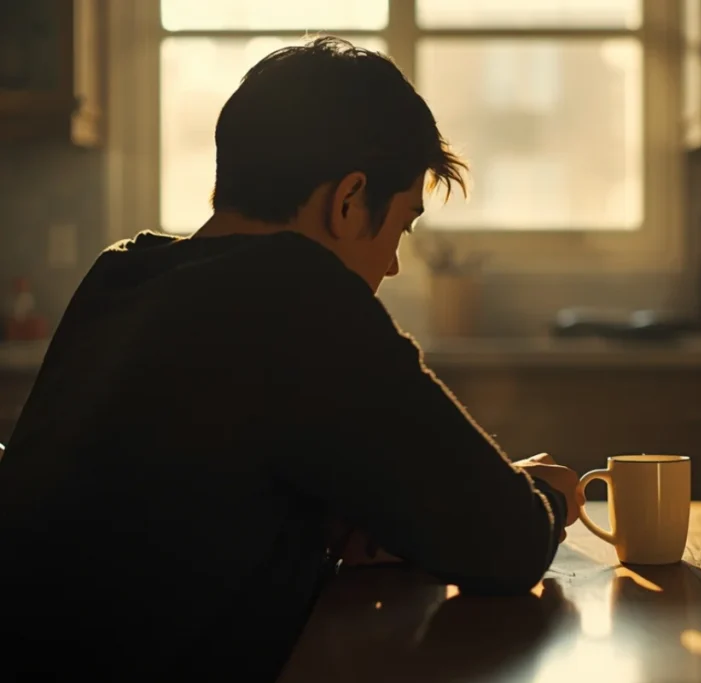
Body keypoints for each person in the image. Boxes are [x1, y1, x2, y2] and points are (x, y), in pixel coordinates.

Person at [0, 37, 581, 682]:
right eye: (401, 227)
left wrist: (333, 522)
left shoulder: (122, 274)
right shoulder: (299, 292)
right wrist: (548, 500)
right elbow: (504, 541)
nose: (391, 263)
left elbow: (173, 501)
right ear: (350, 200)